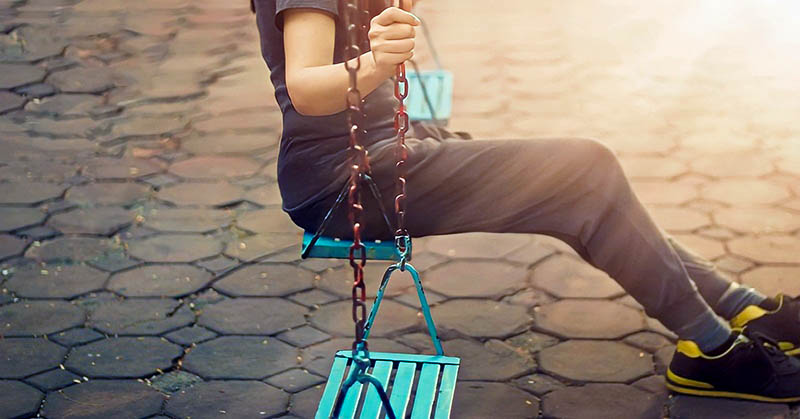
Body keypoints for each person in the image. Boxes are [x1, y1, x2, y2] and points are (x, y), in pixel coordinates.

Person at [252, 0, 800, 402]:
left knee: (575, 194)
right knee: (585, 166)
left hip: (392, 147)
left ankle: (734, 306)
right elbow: (304, 87)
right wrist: (375, 63)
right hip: (344, 180)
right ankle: (713, 351)